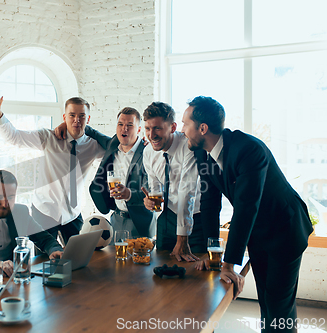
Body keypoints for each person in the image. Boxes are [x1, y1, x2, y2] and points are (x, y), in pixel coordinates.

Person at [181, 96, 313, 332]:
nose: (182, 131)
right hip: (259, 232)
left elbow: (246, 206)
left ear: (203, 128)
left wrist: (229, 264)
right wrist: (214, 256)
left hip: (286, 228)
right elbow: (210, 203)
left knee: (278, 303)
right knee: (265, 298)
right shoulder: (202, 154)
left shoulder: (248, 149)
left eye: (185, 124)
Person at [0, 91, 105, 244]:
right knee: (42, 261)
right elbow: (15, 137)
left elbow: (118, 152)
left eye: (81, 116)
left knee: (79, 257)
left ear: (88, 119)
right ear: (64, 117)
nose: (77, 120)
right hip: (44, 211)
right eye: (72, 115)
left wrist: (141, 145)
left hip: (72, 214)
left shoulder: (93, 146)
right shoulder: (48, 137)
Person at [141, 102, 208, 262]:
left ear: (172, 127)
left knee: (196, 272)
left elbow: (187, 191)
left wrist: (182, 237)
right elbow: (155, 186)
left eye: (157, 128)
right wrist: (151, 201)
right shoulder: (148, 152)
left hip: (196, 218)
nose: (152, 135)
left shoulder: (189, 146)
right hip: (167, 217)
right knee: (162, 266)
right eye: (148, 129)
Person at [88, 107, 155, 239]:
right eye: (120, 124)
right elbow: (92, 132)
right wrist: (64, 124)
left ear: (139, 129)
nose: (124, 128)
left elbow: (152, 189)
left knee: (140, 259)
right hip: (116, 220)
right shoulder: (112, 145)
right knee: (114, 259)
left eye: (130, 125)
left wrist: (129, 194)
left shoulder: (148, 153)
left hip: (141, 223)